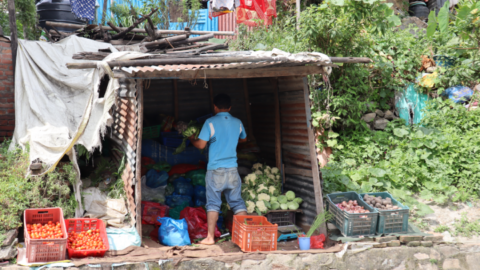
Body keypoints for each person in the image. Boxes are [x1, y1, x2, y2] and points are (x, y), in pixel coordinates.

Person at [189, 93, 248, 245]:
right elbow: (244, 138)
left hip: (216, 170)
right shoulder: (238, 122)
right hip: (233, 169)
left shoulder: (210, 122)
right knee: (237, 203)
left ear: (215, 107)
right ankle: (245, 235)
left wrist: (191, 139)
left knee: (213, 204)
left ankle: (210, 238)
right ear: (230, 107)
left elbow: (201, 145)